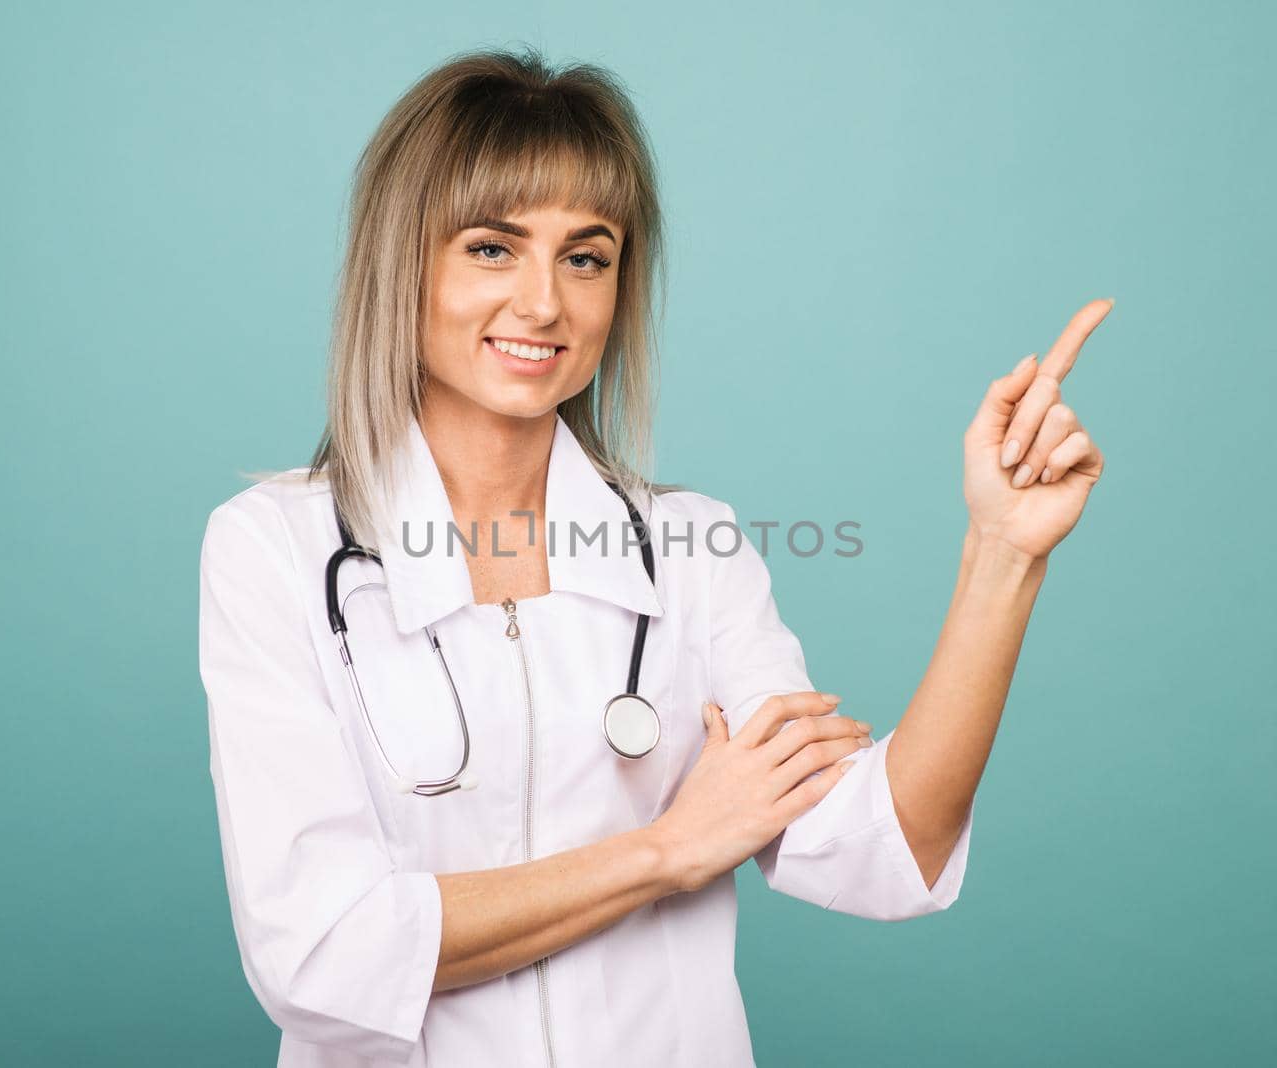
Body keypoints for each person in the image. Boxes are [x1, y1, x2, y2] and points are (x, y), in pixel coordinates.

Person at [197, 46, 1110, 1068]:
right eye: (492, 249)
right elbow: (323, 957)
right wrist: (664, 851)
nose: (545, 304)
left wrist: (1001, 553)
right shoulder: (274, 550)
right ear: (400, 262)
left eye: (585, 256)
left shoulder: (690, 549)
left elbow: (880, 852)